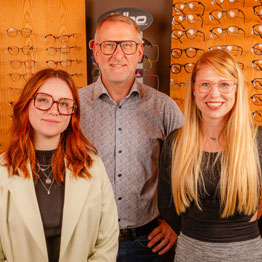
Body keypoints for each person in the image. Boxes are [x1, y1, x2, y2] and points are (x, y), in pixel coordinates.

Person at [79, 13, 184, 262]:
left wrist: (175, 223)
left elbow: (190, 169)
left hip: (147, 245)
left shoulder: (164, 107)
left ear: (139, 52)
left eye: (127, 45)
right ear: (94, 49)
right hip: (87, 243)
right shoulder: (73, 105)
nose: (118, 55)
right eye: (108, 45)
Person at [0, 68, 119, 262]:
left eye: (64, 104)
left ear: (72, 114)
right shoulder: (2, 170)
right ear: (26, 104)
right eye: (44, 100)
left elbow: (106, 242)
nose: (54, 110)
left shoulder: (93, 167)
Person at [158, 49, 262, 261]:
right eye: (205, 84)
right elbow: (166, 204)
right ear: (194, 89)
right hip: (190, 253)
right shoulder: (176, 142)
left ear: (236, 90)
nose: (214, 94)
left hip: (246, 254)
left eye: (224, 84)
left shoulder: (257, 140)